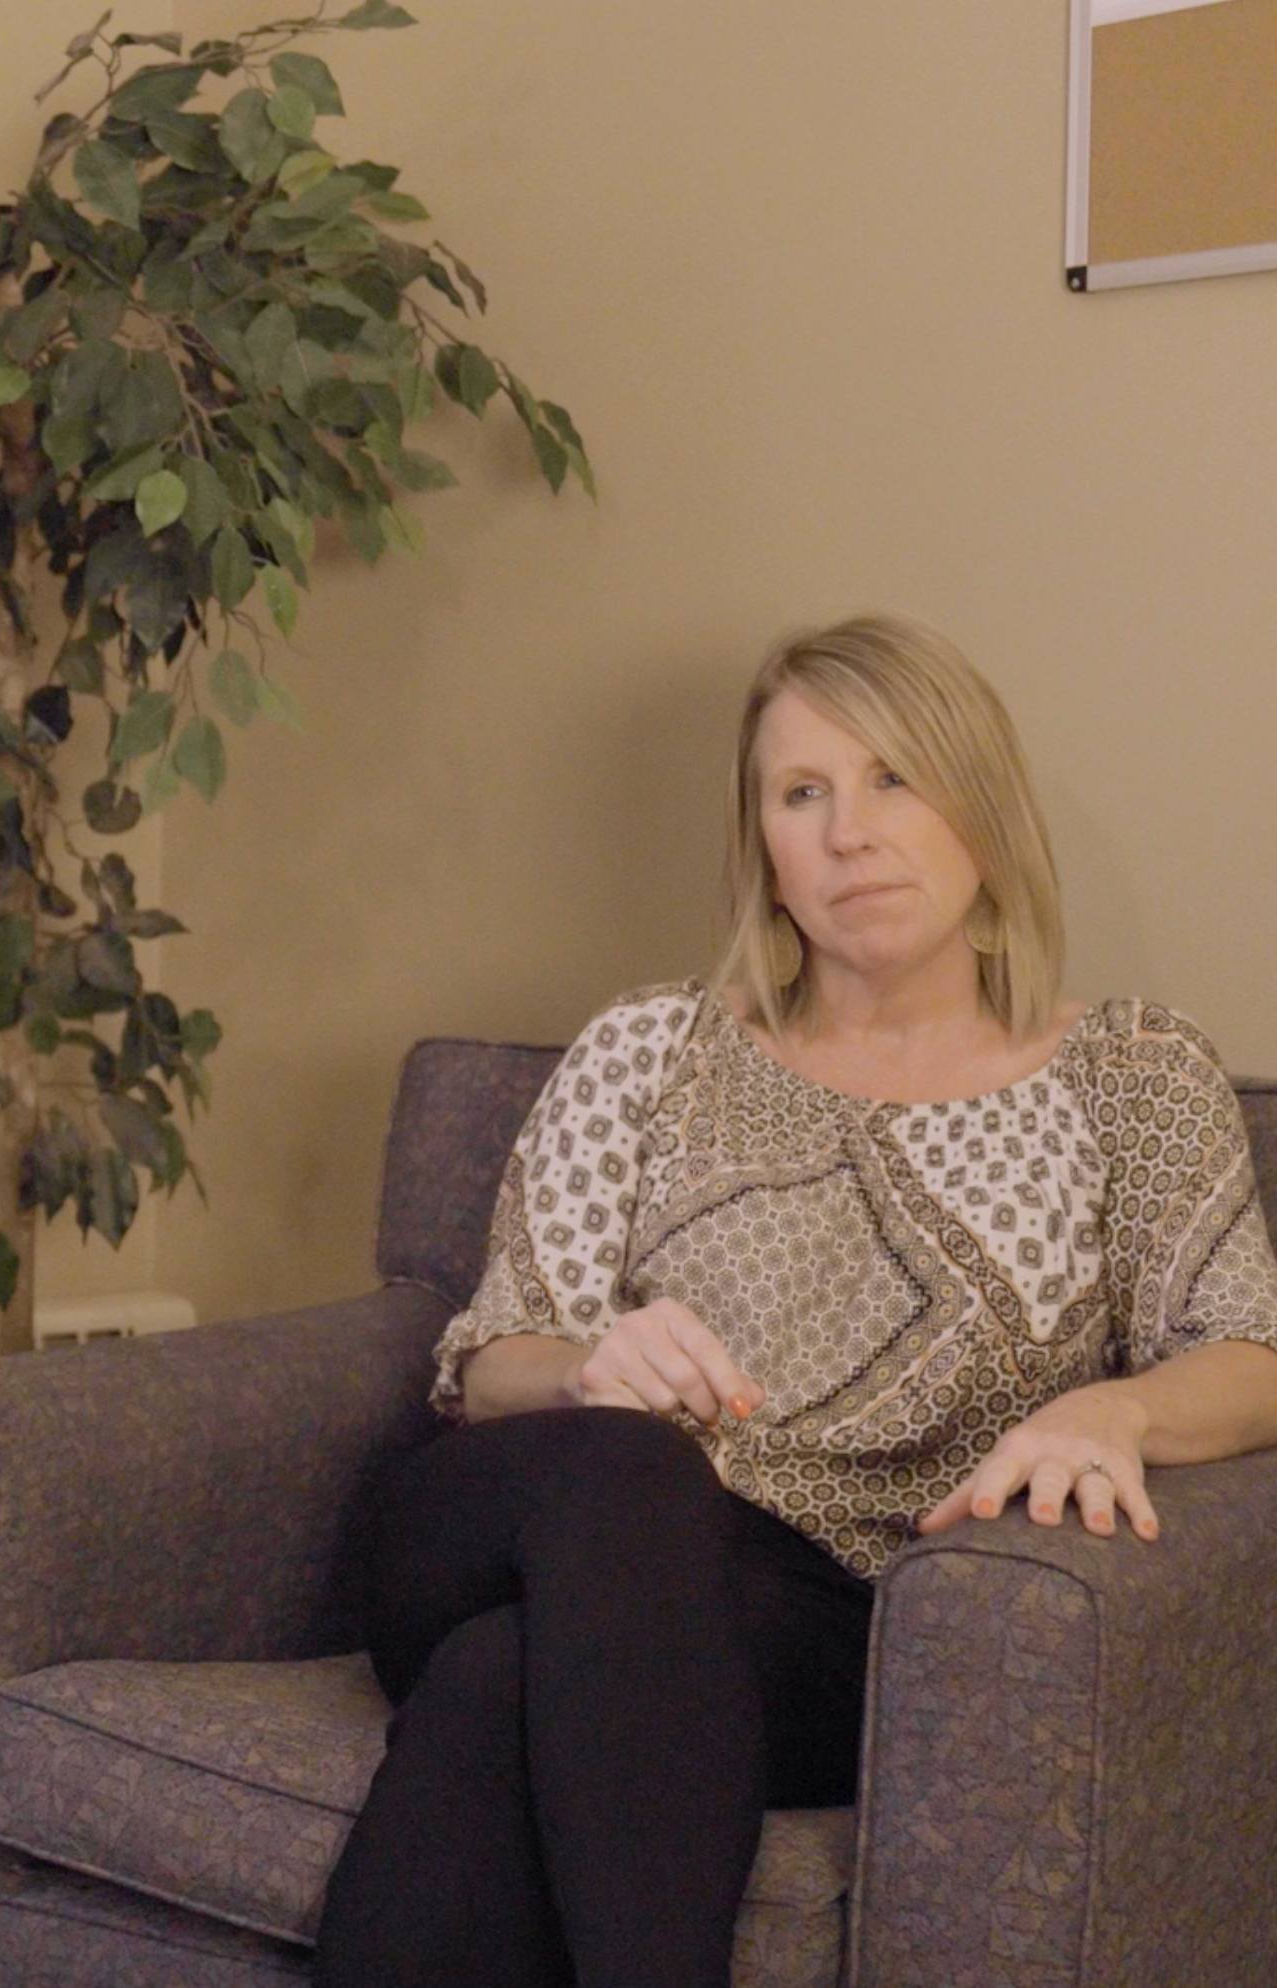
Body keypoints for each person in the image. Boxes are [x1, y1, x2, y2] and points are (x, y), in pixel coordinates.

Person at [306, 613, 1277, 1988]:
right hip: (508, 1518)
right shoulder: (654, 1045)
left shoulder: (1132, 1076)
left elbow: (1251, 1350)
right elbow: (486, 1358)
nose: (849, 834)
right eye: (801, 793)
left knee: (494, 1687)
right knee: (628, 1470)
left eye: (894, 778)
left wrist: (1116, 1412)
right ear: (763, 844)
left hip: (822, 1622)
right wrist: (586, 1369)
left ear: (982, 807)